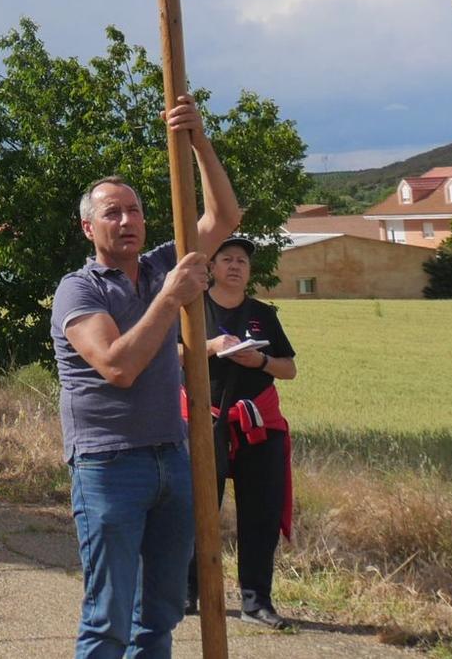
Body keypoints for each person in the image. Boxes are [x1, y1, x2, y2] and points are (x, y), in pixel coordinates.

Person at [50, 97, 239, 659]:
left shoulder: (161, 263)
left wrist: (199, 141)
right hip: (108, 465)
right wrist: (171, 297)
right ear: (88, 227)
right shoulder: (77, 290)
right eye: (112, 212)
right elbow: (118, 366)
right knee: (109, 617)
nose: (127, 220)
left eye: (133, 210)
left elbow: (224, 218)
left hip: (172, 458)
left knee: (158, 616)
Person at [185, 235, 298, 631]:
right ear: (212, 268)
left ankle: (257, 601)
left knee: (260, 515)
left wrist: (261, 359)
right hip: (202, 420)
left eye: (242, 262)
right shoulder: (193, 308)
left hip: (258, 426)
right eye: (227, 259)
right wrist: (212, 346)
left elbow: (288, 368)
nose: (235, 266)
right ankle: (188, 592)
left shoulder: (263, 314)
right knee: (198, 509)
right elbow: (172, 354)